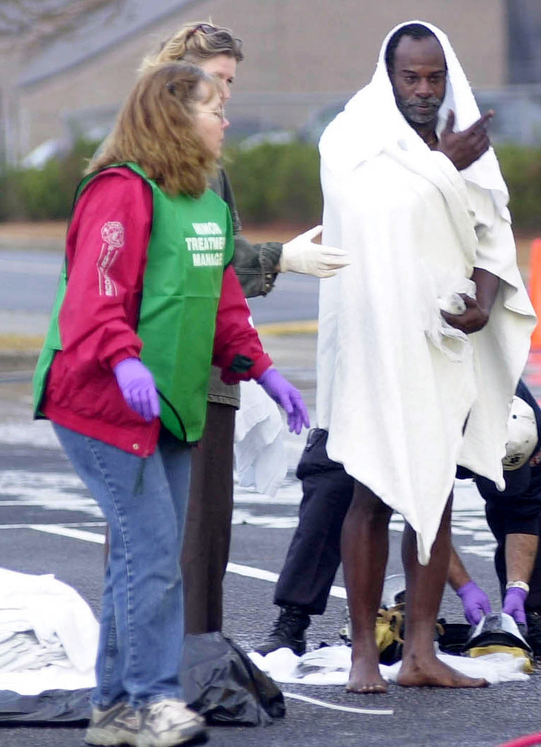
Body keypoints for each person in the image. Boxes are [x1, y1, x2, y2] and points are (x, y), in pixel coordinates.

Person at [31, 62, 309, 747]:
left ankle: (114, 708)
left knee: (146, 553)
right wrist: (123, 358)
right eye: (214, 106)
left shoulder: (208, 205)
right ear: (172, 119)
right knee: (153, 552)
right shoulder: (120, 192)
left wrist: (264, 371)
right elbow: (94, 294)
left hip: (171, 409)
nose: (226, 119)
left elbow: (224, 307)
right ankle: (152, 700)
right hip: (98, 403)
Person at [316, 20, 536, 692]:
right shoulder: (350, 138)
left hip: (442, 340)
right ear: (388, 76)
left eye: (434, 76)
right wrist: (444, 166)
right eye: (411, 76)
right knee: (371, 488)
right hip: (373, 334)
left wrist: (483, 299)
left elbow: (491, 231)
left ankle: (420, 651)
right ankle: (362, 653)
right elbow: (369, 218)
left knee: (434, 492)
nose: (423, 88)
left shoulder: (463, 138)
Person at [139, 21, 348, 636]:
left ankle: (197, 661)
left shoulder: (210, 167)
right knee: (164, 535)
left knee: (207, 537)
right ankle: (156, 672)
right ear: (178, 79)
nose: (228, 96)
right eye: (218, 81)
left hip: (213, 372)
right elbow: (196, 266)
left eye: (232, 82)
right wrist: (278, 258)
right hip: (163, 378)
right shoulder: (145, 167)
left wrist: (260, 367)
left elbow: (223, 282)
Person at [255, 381, 541, 660]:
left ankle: (530, 612)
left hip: (465, 404)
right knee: (332, 488)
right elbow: (423, 513)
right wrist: (466, 587)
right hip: (375, 408)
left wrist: (519, 587)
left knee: (525, 494)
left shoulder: (528, 429)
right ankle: (292, 621)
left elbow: (524, 511)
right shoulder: (427, 425)